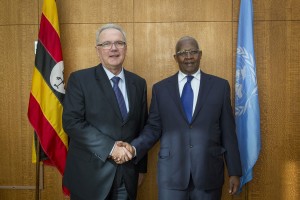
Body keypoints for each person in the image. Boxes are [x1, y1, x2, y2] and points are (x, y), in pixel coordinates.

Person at [120, 36, 242, 200]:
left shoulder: (220, 86)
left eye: (193, 52)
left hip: (209, 174)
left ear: (200, 54)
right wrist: (134, 148)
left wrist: (234, 171)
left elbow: (228, 132)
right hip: (172, 176)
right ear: (175, 58)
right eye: (183, 53)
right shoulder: (161, 89)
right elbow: (153, 128)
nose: (189, 56)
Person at [62, 23, 148, 200]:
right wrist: (111, 148)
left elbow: (141, 127)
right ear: (97, 50)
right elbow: (72, 122)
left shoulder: (138, 83)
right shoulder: (80, 79)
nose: (113, 48)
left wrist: (140, 169)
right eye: (106, 44)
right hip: (89, 177)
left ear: (126, 48)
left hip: (127, 176)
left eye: (119, 43)